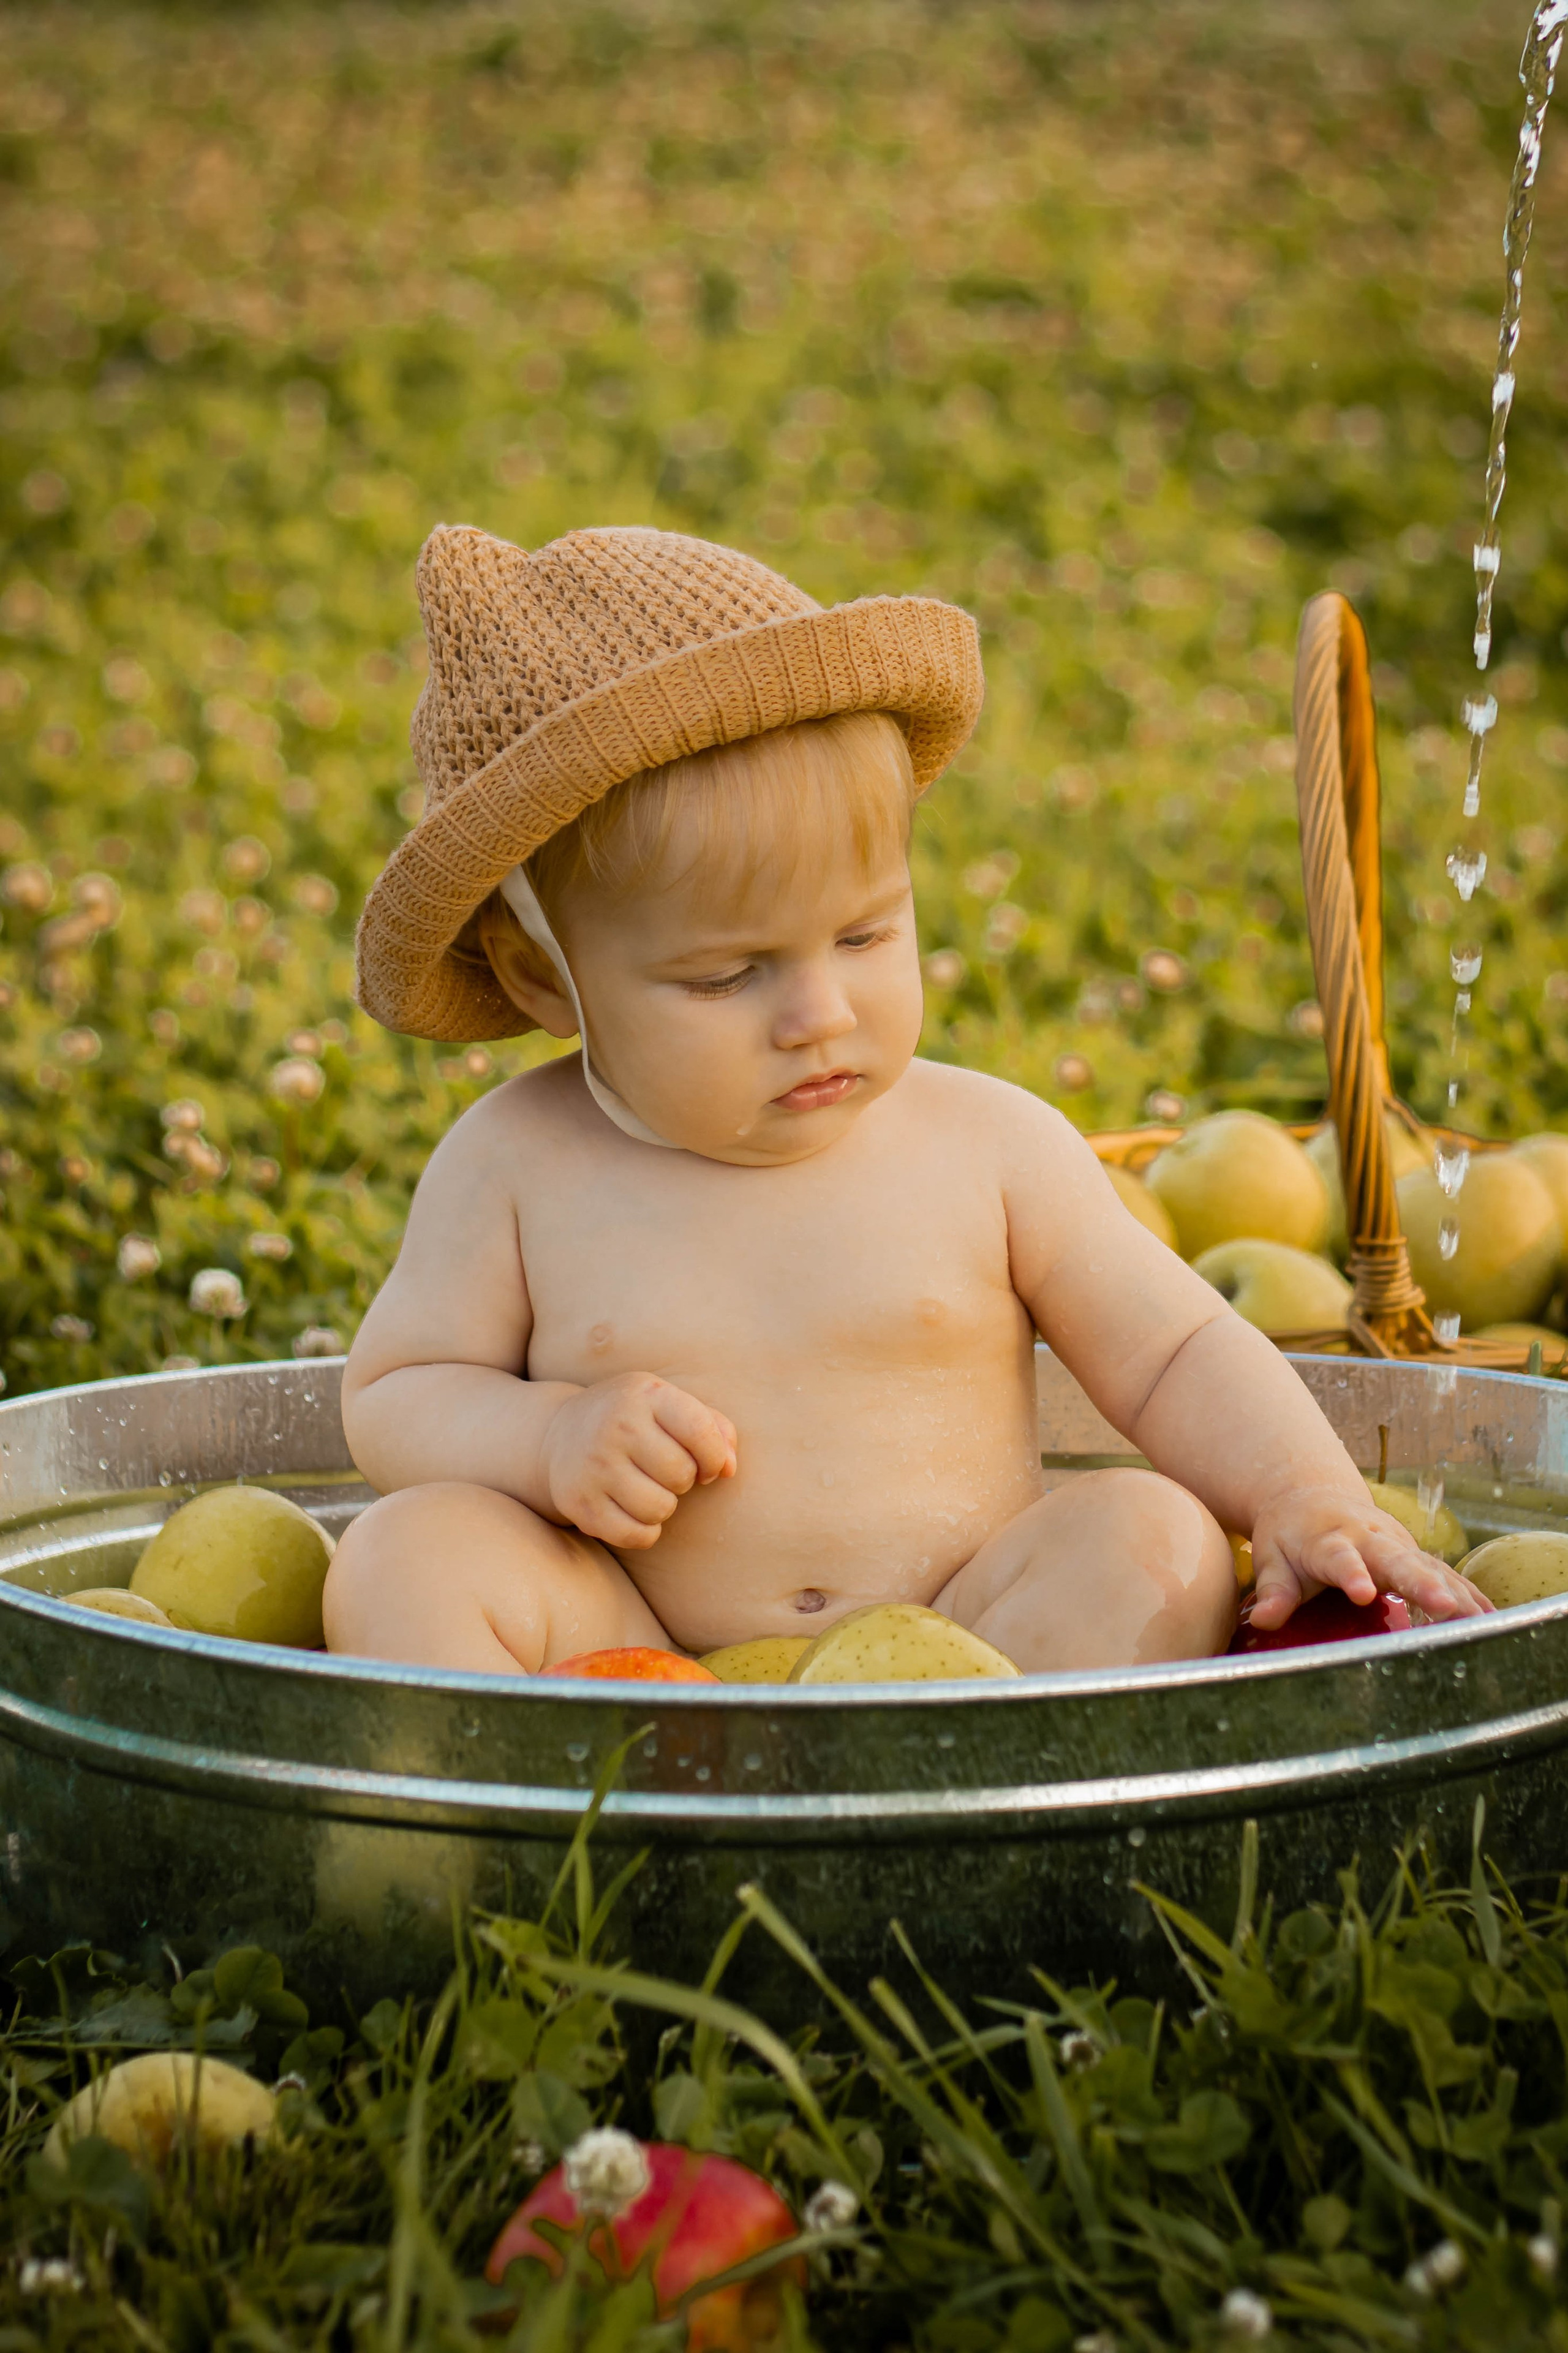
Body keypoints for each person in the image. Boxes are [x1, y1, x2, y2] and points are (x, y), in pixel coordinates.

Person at [328, 522, 1489, 1675]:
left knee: (1159, 1537)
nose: (819, 1012)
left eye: (867, 931)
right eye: (728, 975)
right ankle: (532, 1828)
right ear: (545, 974)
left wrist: (1302, 1491)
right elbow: (396, 1393)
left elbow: (1175, 1348)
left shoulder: (988, 1146)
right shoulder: (518, 1162)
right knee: (404, 1553)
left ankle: (982, 1816)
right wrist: (546, 1436)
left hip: (972, 1640)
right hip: (637, 1655)